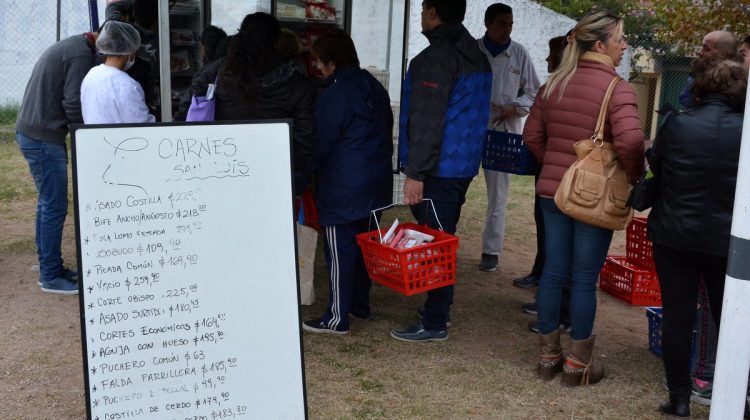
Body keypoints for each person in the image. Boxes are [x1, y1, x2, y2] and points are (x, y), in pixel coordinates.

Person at [523, 11, 645, 385]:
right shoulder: (618, 89)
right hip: (595, 199)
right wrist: (632, 173)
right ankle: (577, 365)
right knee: (582, 278)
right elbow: (631, 141)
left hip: (551, 193)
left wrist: (558, 167)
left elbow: (531, 137)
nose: (624, 46)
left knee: (553, 274)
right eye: (620, 39)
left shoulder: (554, 83)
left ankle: (547, 359)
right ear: (599, 45)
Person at [648, 58, 746, 419]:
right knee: (732, 319)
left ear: (702, 86)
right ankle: (738, 395)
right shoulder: (745, 131)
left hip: (676, 234)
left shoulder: (678, 124)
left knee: (678, 316)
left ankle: (679, 398)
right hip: (728, 242)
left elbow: (656, 163)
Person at [390, 0, 492, 342]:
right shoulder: (476, 53)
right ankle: (436, 310)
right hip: (461, 164)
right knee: (441, 237)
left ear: (433, 12)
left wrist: (415, 173)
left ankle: (435, 320)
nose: (420, 15)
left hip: (439, 167)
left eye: (422, 9)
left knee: (435, 242)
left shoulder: (435, 59)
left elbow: (426, 121)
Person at [300, 29, 393, 335]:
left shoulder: (334, 94)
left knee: (340, 251)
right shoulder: (374, 87)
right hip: (376, 180)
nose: (318, 68)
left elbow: (321, 142)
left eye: (320, 62)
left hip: (343, 183)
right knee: (366, 247)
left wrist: (303, 172)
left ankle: (337, 317)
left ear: (331, 62)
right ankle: (359, 305)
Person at [15, 26, 100, 294]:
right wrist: (86, 139)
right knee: (54, 206)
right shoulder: (80, 55)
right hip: (43, 137)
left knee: (48, 205)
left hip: (34, 132)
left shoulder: (75, 46)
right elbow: (74, 103)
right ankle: (50, 275)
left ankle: (51, 267)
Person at [192, 13, 315, 196]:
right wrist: (292, 173)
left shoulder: (218, 70)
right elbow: (305, 136)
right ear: (276, 40)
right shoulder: (294, 79)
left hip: (223, 172)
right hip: (275, 176)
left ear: (241, 35)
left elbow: (192, 104)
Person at [477, 3, 540, 273]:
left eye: (510, 23)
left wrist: (515, 107)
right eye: (502, 23)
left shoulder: (519, 54)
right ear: (488, 24)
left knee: (499, 195)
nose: (507, 28)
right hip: (469, 132)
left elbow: (534, 92)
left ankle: (491, 251)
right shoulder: (474, 51)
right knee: (454, 189)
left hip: (504, 135)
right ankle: (447, 239)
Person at [521, 35, 571, 335]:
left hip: (552, 181)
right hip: (585, 185)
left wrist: (549, 161)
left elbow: (532, 136)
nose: (547, 61)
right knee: (577, 262)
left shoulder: (550, 90)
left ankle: (551, 317)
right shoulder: (608, 88)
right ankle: (569, 322)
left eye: (552, 55)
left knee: (555, 249)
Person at [81, 20, 155, 124]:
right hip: (118, 140)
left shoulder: (91, 74)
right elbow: (141, 124)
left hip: (94, 138)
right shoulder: (126, 84)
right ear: (131, 52)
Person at [678, 30, 736, 108]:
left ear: (724, 54)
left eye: (706, 48)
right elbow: (684, 99)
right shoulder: (699, 73)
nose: (699, 52)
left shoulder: (738, 82)